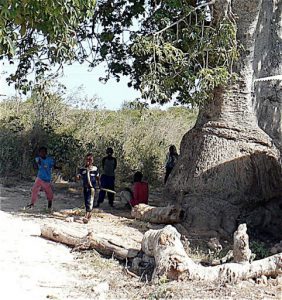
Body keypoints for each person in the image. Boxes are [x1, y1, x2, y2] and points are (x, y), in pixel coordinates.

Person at [27, 146, 60, 210]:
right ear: (39, 153)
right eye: (41, 152)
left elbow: (54, 166)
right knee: (34, 190)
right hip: (39, 178)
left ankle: (49, 207)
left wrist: (59, 167)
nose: (42, 154)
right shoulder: (38, 159)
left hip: (47, 180)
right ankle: (32, 204)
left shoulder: (50, 160)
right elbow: (37, 163)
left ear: (46, 153)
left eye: (43, 152)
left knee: (49, 194)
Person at [77, 153, 100, 220]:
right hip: (85, 187)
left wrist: (99, 185)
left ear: (92, 161)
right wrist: (78, 176)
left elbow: (98, 177)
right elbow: (79, 176)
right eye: (87, 160)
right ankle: (89, 214)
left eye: (90, 160)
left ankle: (86, 215)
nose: (88, 161)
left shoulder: (95, 169)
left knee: (89, 200)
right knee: (86, 200)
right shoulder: (82, 169)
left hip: (92, 188)